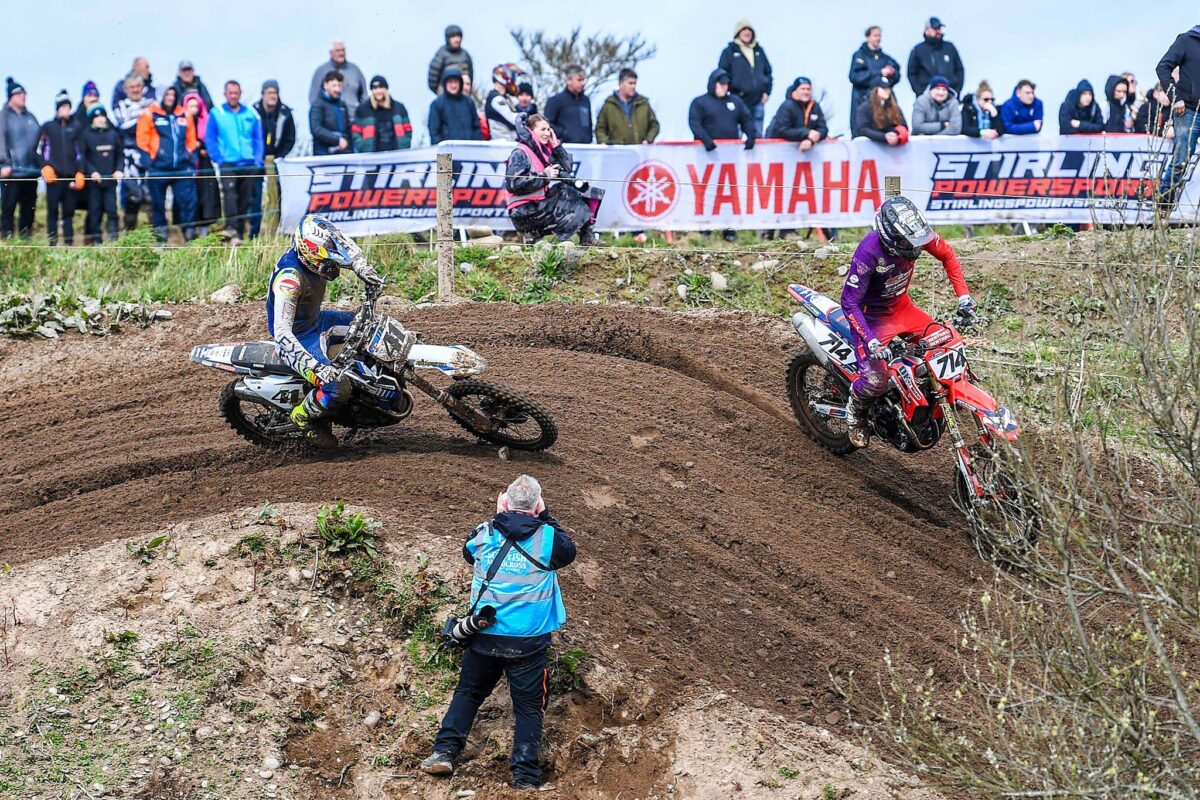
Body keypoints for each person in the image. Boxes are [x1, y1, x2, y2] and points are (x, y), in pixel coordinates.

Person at [420, 474, 576, 790]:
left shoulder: (484, 533)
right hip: (527, 645)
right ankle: (525, 777)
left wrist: (500, 515)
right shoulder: (548, 539)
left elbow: (468, 553)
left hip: (484, 633)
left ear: (504, 502)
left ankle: (443, 752)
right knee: (529, 709)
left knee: (468, 693)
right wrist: (544, 515)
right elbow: (569, 551)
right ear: (537, 505)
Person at [840, 197, 978, 448]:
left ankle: (929, 397)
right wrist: (870, 340)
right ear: (889, 238)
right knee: (875, 380)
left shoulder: (916, 234)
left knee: (944, 345)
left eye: (916, 240)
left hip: (902, 308)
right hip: (872, 319)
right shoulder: (869, 251)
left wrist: (964, 298)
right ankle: (855, 413)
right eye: (906, 243)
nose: (915, 247)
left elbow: (947, 254)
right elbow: (849, 302)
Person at [266, 214, 393, 450]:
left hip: (318, 320)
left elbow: (345, 246)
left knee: (374, 325)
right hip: (297, 338)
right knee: (336, 387)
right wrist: (317, 367)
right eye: (325, 260)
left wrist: (361, 267)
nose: (331, 265)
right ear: (309, 253)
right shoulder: (289, 281)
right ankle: (303, 417)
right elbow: (282, 332)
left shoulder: (317, 244)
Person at [505, 113, 604, 246]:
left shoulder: (542, 152)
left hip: (536, 207)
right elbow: (514, 184)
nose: (547, 133)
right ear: (530, 131)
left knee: (585, 193)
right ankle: (585, 238)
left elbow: (567, 168)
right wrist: (545, 176)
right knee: (566, 192)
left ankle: (585, 236)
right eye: (543, 129)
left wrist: (556, 145)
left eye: (548, 129)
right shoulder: (520, 152)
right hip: (523, 211)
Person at [136, 86, 198, 242]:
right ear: (160, 96)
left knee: (187, 201)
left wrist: (189, 156)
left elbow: (192, 139)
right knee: (158, 204)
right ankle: (161, 238)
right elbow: (142, 140)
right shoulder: (149, 114)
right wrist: (149, 161)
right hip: (158, 167)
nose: (170, 97)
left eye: (173, 94)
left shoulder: (184, 114)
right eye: (167, 94)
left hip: (182, 167)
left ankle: (189, 235)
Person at [206, 80, 263, 242]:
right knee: (229, 194)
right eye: (230, 93)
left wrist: (257, 160)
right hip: (227, 163)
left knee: (245, 198)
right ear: (225, 94)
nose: (233, 96)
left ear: (240, 93)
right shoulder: (216, 113)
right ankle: (231, 228)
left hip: (249, 163)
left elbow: (258, 138)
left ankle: (240, 231)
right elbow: (210, 138)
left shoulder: (251, 113)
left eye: (236, 93)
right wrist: (218, 159)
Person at [1156, 24, 1200, 208]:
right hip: (1188, 110)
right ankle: (1163, 208)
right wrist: (1176, 97)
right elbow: (1162, 67)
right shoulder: (1187, 40)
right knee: (1180, 162)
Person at [37, 89, 84, 246]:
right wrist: (44, 167)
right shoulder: (48, 127)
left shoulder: (76, 127)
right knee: (52, 212)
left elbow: (81, 152)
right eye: (63, 107)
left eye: (68, 107)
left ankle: (69, 245)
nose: (66, 110)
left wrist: (80, 172)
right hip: (53, 178)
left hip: (70, 177)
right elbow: (37, 150)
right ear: (57, 108)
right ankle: (52, 245)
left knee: (69, 214)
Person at [251, 80, 295, 238]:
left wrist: (279, 156)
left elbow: (290, 138)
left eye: (275, 92)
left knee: (278, 195)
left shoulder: (285, 112)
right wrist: (256, 156)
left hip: (277, 159)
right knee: (254, 195)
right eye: (269, 92)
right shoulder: (253, 112)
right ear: (263, 94)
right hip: (257, 159)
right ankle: (254, 233)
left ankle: (279, 230)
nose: (272, 96)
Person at [717, 20, 773, 137]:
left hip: (758, 101)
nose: (747, 32)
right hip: (737, 100)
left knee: (757, 135)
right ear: (738, 33)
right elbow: (722, 74)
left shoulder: (758, 51)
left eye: (749, 30)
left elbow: (768, 72)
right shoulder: (729, 51)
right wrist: (728, 93)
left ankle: (756, 150)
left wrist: (767, 92)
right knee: (735, 135)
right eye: (744, 29)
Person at [113, 73, 154, 230]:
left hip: (150, 156)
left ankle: (156, 237)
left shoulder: (151, 103)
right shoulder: (120, 106)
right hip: (129, 158)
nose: (135, 90)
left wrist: (141, 121)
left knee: (151, 197)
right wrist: (145, 121)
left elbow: (157, 124)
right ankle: (129, 235)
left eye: (138, 86)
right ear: (125, 89)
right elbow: (124, 125)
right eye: (132, 87)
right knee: (133, 197)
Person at [0, 78, 40, 239]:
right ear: (11, 96)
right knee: (8, 208)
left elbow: (40, 142)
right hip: (12, 172)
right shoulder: (3, 116)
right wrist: (4, 163)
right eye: (19, 94)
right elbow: (0, 140)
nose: (23, 96)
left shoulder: (31, 117)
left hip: (31, 172)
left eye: (24, 93)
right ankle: (7, 240)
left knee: (28, 210)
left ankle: (25, 240)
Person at [81, 104, 122, 244]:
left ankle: (114, 241)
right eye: (97, 117)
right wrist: (92, 171)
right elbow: (83, 157)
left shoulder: (113, 134)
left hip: (110, 181)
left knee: (112, 211)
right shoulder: (86, 135)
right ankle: (96, 241)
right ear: (92, 119)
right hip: (94, 183)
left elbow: (119, 155)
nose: (100, 119)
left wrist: (119, 169)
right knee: (95, 211)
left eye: (102, 116)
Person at [849, 26, 901, 137]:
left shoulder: (886, 58)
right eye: (875, 35)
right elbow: (855, 77)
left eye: (879, 35)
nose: (878, 38)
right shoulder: (859, 56)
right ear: (868, 37)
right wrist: (879, 72)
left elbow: (897, 74)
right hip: (862, 99)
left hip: (884, 105)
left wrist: (892, 73)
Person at [180, 93, 218, 238]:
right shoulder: (180, 121)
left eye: (196, 106)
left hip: (204, 164)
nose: (193, 109)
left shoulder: (207, 121)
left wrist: (203, 147)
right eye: (190, 106)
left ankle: (204, 231)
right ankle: (188, 230)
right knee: (189, 197)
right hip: (187, 163)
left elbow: (212, 139)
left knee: (206, 196)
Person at [688, 69, 756, 152]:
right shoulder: (699, 102)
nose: (724, 87)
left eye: (726, 84)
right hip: (707, 150)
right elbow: (695, 123)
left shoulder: (735, 101)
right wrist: (706, 140)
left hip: (732, 149)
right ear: (713, 84)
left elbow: (746, 119)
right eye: (721, 84)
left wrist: (751, 136)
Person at [595, 68, 660, 145]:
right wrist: (604, 142)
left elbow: (654, 125)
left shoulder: (643, 104)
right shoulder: (609, 105)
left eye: (635, 83)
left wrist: (648, 139)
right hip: (616, 151)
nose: (633, 86)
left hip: (639, 150)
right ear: (621, 83)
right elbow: (600, 128)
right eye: (630, 83)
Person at [351, 75, 412, 152]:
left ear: (386, 89)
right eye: (375, 88)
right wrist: (363, 147)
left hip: (397, 154)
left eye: (381, 87)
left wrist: (404, 144)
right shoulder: (362, 110)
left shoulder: (399, 108)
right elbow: (355, 132)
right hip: (372, 156)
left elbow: (408, 129)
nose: (378, 91)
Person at [765, 76, 828, 151]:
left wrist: (810, 140)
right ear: (795, 90)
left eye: (808, 89)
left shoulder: (815, 106)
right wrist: (806, 133)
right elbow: (781, 130)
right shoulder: (787, 106)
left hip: (803, 151)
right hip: (778, 150)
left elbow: (823, 129)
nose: (806, 92)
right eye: (802, 89)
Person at [907, 17, 964, 96]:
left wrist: (957, 91)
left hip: (950, 95)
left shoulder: (950, 47)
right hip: (927, 97)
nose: (938, 31)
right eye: (935, 29)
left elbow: (960, 70)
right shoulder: (918, 50)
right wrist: (920, 92)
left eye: (939, 28)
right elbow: (912, 73)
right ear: (927, 30)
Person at [428, 67, 482, 144]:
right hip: (447, 149)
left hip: (469, 148)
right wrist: (442, 150)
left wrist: (477, 146)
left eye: (456, 82)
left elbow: (476, 128)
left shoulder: (469, 102)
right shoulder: (437, 104)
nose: (453, 86)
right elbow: (434, 132)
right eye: (450, 82)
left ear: (460, 83)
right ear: (445, 83)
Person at [308, 40, 366, 108]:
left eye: (343, 50)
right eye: (337, 51)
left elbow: (364, 95)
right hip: (330, 113)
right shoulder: (321, 71)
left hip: (353, 113)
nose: (341, 53)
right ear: (331, 53)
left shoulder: (355, 70)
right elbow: (313, 97)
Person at [543, 66, 593, 144]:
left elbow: (588, 124)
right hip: (563, 147)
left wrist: (589, 137)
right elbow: (547, 124)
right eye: (579, 80)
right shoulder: (556, 100)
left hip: (585, 147)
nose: (583, 83)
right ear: (568, 81)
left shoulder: (586, 100)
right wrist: (563, 134)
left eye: (583, 80)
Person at [854, 76, 908, 146]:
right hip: (872, 147)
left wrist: (895, 134)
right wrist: (883, 137)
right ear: (875, 90)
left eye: (888, 88)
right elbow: (862, 129)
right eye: (883, 88)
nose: (887, 91)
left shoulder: (895, 107)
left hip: (894, 149)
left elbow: (903, 126)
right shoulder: (864, 108)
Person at [310, 71, 351, 156]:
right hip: (323, 154)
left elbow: (347, 129)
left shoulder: (342, 105)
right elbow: (316, 129)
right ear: (325, 85)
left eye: (339, 86)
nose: (337, 89)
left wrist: (346, 143)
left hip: (343, 153)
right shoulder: (317, 105)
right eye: (334, 85)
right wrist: (337, 140)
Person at [427, 24, 474, 95]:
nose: (456, 39)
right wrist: (441, 92)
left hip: (463, 94)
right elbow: (433, 77)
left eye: (458, 36)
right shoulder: (441, 55)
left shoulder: (465, 55)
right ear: (448, 38)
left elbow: (470, 74)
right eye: (453, 36)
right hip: (446, 93)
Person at [484, 64, 524, 142]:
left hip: (507, 142)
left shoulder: (503, 98)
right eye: (514, 77)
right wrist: (530, 119)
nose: (515, 81)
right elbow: (513, 120)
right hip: (501, 144)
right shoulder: (496, 99)